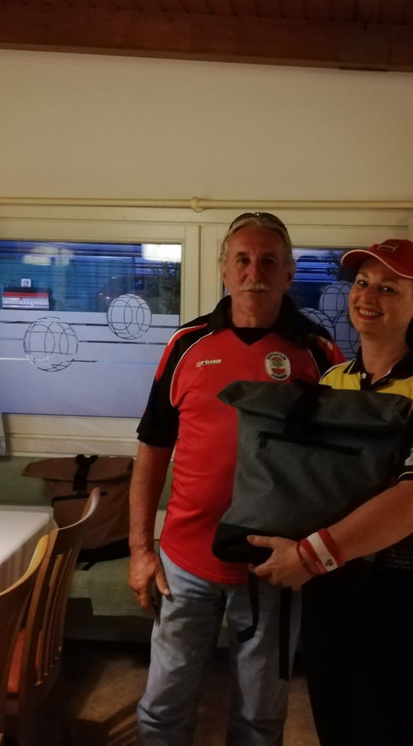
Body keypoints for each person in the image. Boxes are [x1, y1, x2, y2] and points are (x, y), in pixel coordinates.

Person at [128, 212, 344, 745]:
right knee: (162, 709)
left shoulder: (318, 353)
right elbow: (152, 450)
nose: (254, 272)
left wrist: (316, 553)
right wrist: (140, 550)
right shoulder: (186, 345)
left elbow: (336, 466)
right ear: (224, 269)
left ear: (289, 273)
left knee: (260, 719)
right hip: (184, 564)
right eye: (242, 260)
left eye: (269, 261)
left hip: (274, 569)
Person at [249, 238, 413, 746]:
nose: (367, 296)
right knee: (336, 730)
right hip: (335, 590)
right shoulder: (333, 380)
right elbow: (314, 484)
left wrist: (308, 556)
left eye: (388, 288)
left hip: (409, 595)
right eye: (363, 283)